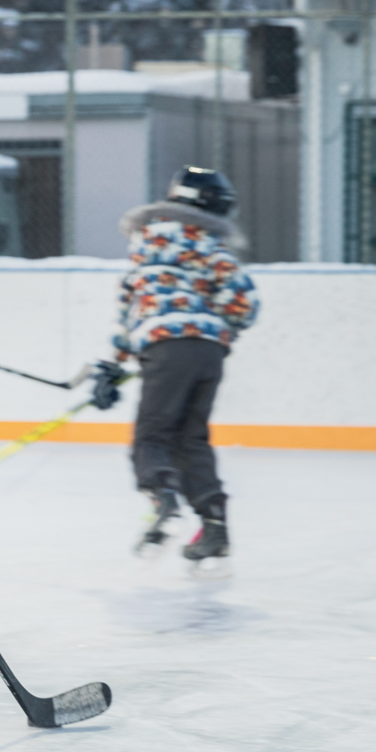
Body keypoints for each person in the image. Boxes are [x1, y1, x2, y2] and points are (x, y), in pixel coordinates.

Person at [90, 167, 259, 575]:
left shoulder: (146, 243)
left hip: (163, 348)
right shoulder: (210, 246)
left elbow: (128, 309)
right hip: (208, 355)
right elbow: (244, 303)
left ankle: (163, 501)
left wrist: (112, 366)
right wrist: (215, 331)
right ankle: (214, 526)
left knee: (152, 435)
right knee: (191, 439)